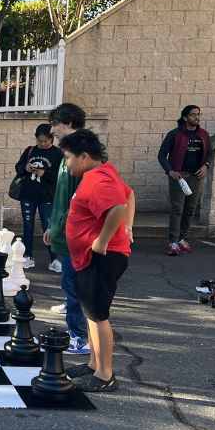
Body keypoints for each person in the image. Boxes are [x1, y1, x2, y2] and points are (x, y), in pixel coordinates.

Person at [60, 129, 136, 393]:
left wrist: (103, 240)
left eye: (68, 158)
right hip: (94, 257)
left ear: (83, 156)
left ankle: (105, 375)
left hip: (102, 257)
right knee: (91, 314)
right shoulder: (103, 173)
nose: (67, 163)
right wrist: (128, 227)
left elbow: (118, 207)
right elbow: (129, 195)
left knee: (98, 315)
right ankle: (94, 364)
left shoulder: (97, 179)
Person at [43, 103, 90, 354]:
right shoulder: (66, 154)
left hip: (76, 235)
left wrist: (59, 226)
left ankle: (79, 337)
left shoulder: (82, 156)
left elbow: (79, 200)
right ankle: (74, 316)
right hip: (63, 231)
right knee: (69, 283)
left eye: (55, 124)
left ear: (69, 123)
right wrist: (53, 225)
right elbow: (62, 197)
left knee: (74, 285)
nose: (52, 130)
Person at [157, 105, 211, 256]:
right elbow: (161, 155)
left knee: (190, 209)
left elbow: (209, 153)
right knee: (177, 209)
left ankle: (182, 239)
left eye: (198, 114)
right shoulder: (174, 134)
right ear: (185, 117)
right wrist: (170, 171)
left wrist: (206, 166)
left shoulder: (203, 135)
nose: (197, 117)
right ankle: (173, 242)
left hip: (196, 177)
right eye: (193, 114)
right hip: (179, 177)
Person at [14, 123, 62, 270]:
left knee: (48, 226)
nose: (42, 144)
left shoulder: (57, 153)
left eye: (45, 141)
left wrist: (44, 173)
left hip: (47, 196)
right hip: (28, 194)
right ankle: (28, 256)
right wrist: (26, 168)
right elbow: (18, 167)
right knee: (27, 225)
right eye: (39, 141)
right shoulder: (30, 150)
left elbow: (60, 175)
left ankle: (54, 259)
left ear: (52, 139)